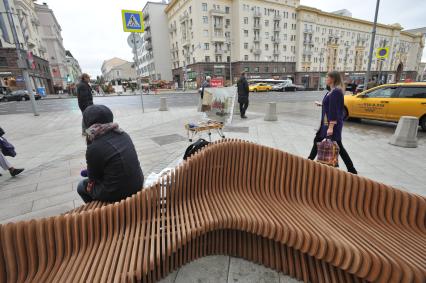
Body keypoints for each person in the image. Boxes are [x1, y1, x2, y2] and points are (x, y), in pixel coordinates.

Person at [77, 105, 144, 203]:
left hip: (116, 193)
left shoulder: (95, 147)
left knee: (81, 186)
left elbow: (93, 178)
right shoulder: (123, 134)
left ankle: (97, 213)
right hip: (137, 183)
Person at [308, 71, 357, 174]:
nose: (326, 78)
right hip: (326, 123)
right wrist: (322, 104)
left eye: (327, 77)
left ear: (333, 79)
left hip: (331, 124)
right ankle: (309, 161)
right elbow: (330, 105)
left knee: (337, 146)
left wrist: (331, 127)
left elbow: (334, 110)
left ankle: (352, 169)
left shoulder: (336, 92)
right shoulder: (331, 91)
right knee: (318, 140)